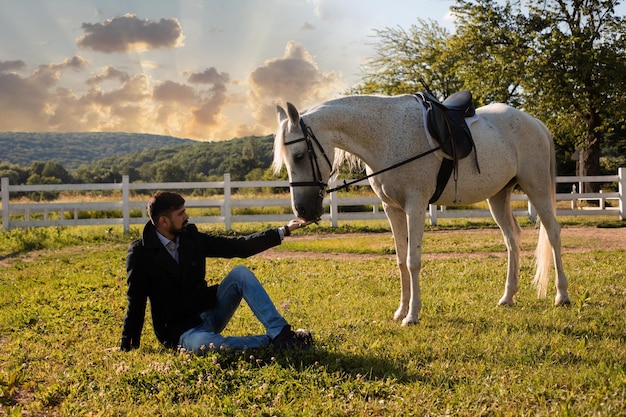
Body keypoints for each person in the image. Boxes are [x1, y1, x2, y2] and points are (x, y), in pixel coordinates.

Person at [120, 191, 312, 354]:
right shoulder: (140, 254)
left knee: (240, 274)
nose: (186, 217)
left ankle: (282, 334)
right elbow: (135, 302)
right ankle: (270, 342)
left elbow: (239, 247)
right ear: (163, 221)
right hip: (180, 332)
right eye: (181, 213)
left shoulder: (191, 237)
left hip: (209, 312)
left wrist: (284, 230)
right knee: (201, 345)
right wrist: (127, 346)